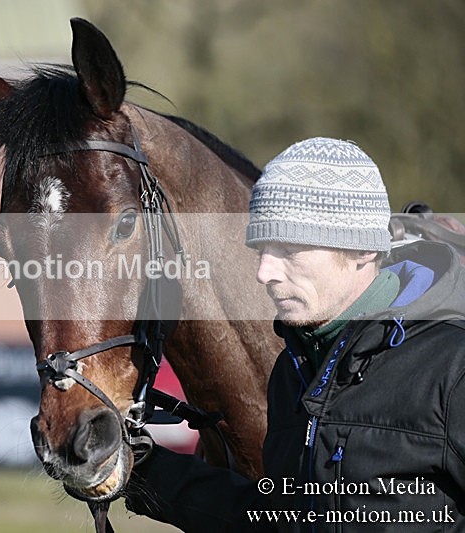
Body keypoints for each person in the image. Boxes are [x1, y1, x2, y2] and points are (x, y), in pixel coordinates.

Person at [124, 137, 465, 531]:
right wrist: (140, 469)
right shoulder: (293, 368)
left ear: (362, 251)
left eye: (289, 248)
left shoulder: (452, 367)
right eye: (262, 249)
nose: (264, 272)